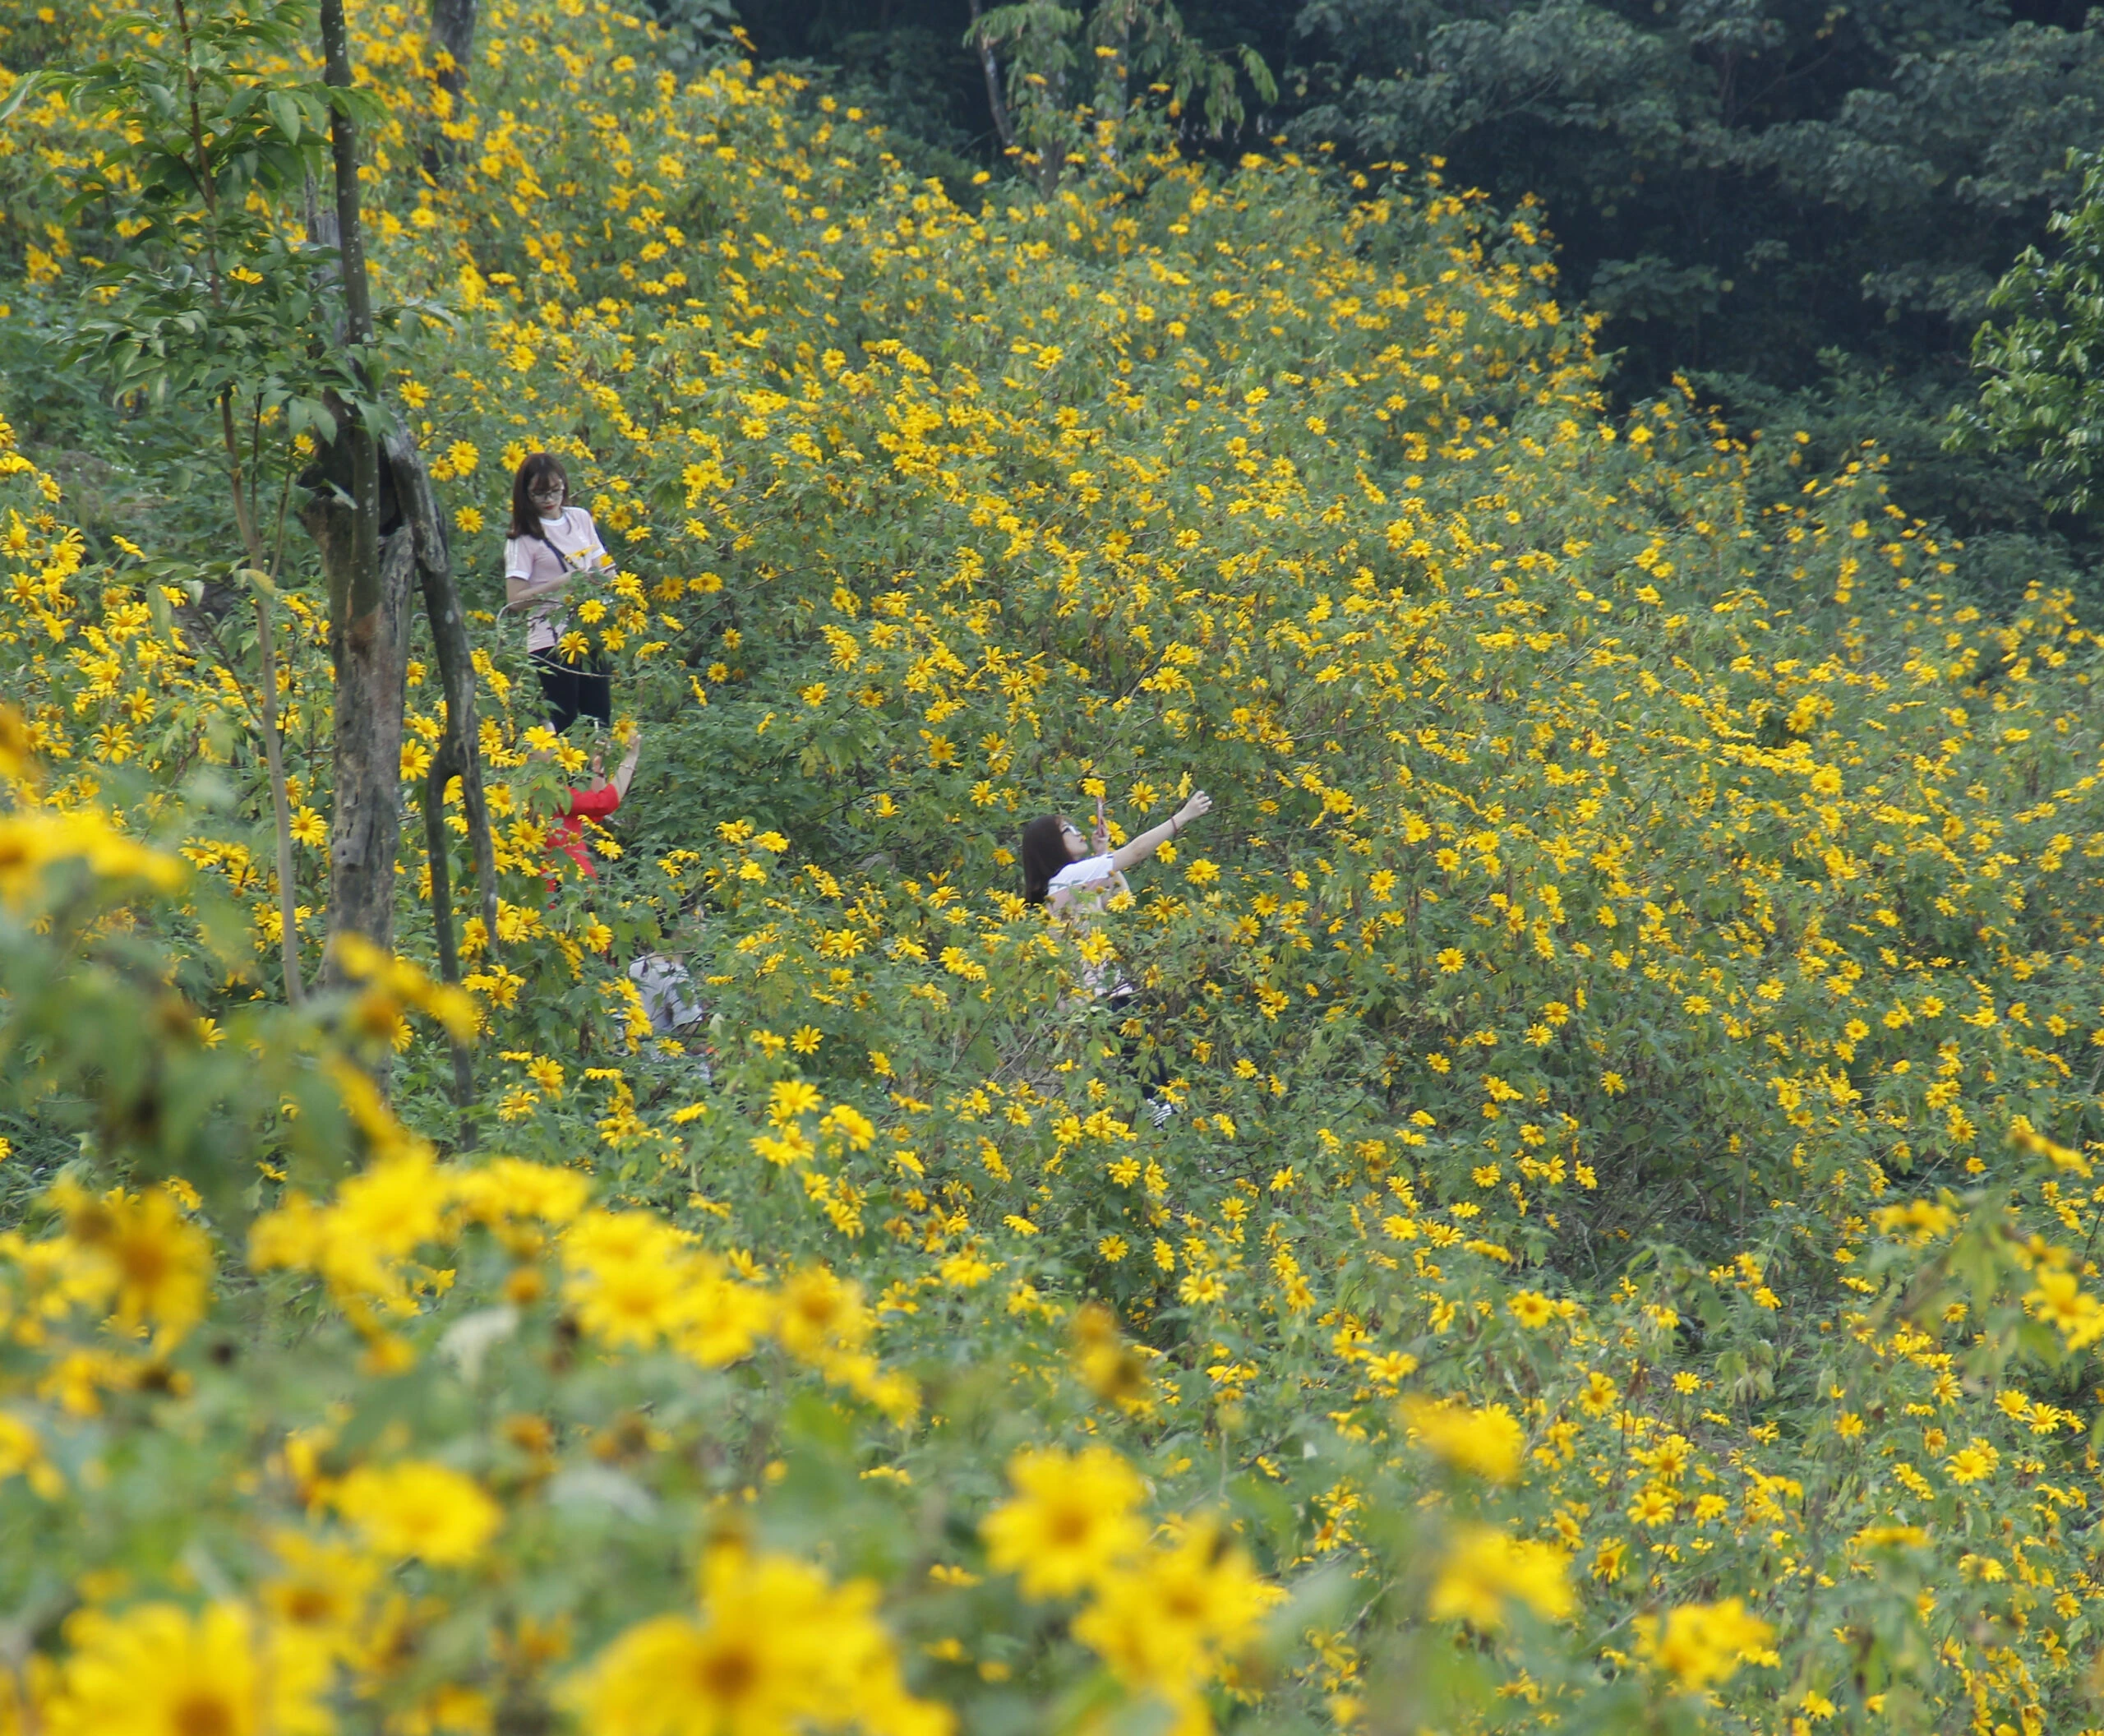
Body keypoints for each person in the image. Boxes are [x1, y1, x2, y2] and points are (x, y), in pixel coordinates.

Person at [1019, 787, 1213, 1122]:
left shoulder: (1069, 882)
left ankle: (1175, 1144)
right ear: (1053, 845)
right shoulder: (1066, 876)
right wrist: (1183, 816)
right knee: (1153, 1089)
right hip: (1103, 1001)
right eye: (1068, 830)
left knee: (1153, 1083)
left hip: (1104, 1000)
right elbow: (1137, 851)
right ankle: (1174, 1148)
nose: (1078, 832)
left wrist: (1102, 853)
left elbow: (1121, 894)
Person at [505, 452, 616, 732]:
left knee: (599, 721)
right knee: (563, 723)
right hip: (551, 641)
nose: (549, 499)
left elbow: (605, 566)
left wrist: (611, 584)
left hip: (590, 631)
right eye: (540, 493)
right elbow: (515, 600)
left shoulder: (579, 518)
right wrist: (564, 581)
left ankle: (599, 776)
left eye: (555, 490)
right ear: (526, 494)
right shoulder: (523, 537)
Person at [547, 725, 642, 884]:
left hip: (571, 889)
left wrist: (599, 770)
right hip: (560, 892)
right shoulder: (545, 790)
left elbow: (593, 814)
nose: (555, 746)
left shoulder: (541, 785)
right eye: (547, 740)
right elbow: (603, 804)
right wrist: (631, 758)